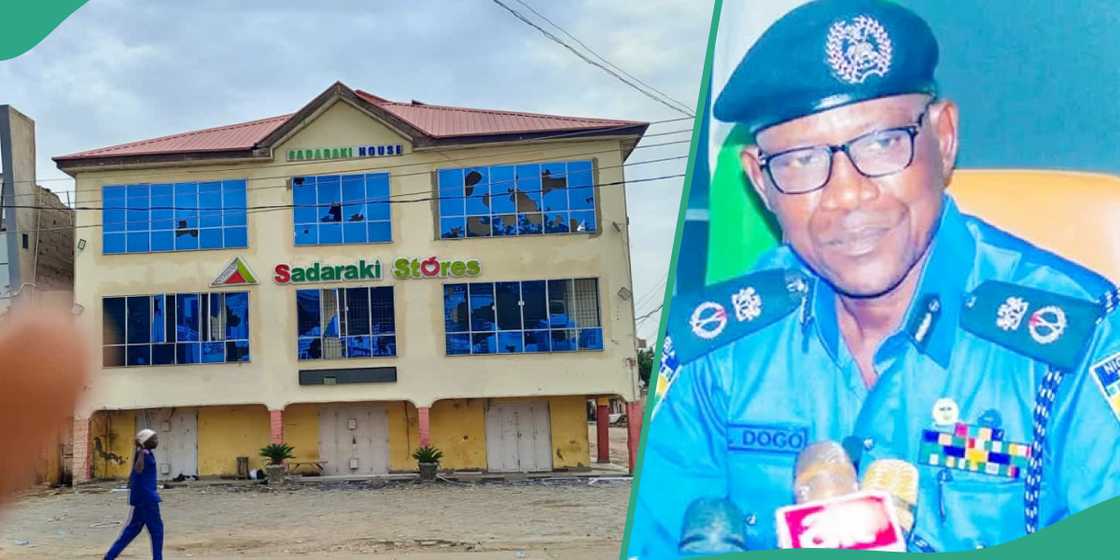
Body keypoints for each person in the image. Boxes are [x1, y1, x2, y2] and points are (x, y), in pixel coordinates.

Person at [627, 0, 1120, 555]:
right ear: (761, 184)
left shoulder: (1079, 343)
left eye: (883, 142)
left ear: (944, 139)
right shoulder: (716, 351)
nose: (847, 195)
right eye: (801, 159)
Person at [105, 429, 164, 560]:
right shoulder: (143, 454)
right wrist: (141, 453)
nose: (157, 441)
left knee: (132, 530)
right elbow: (138, 469)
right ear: (145, 442)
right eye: (154, 439)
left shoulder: (145, 453)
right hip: (147, 499)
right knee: (157, 531)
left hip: (142, 498)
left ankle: (110, 556)